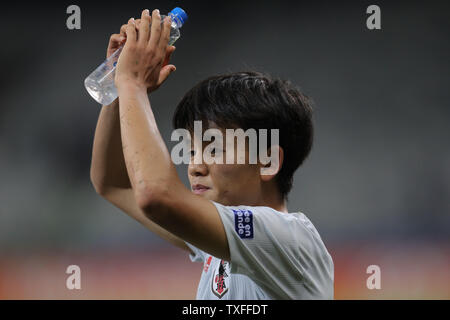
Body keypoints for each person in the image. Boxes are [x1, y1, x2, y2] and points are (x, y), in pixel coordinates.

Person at [90, 9, 334, 299]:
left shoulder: (287, 239)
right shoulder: (224, 244)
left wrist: (132, 84)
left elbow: (154, 196)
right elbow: (113, 184)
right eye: (192, 151)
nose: (194, 167)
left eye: (214, 148)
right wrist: (116, 87)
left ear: (267, 161)